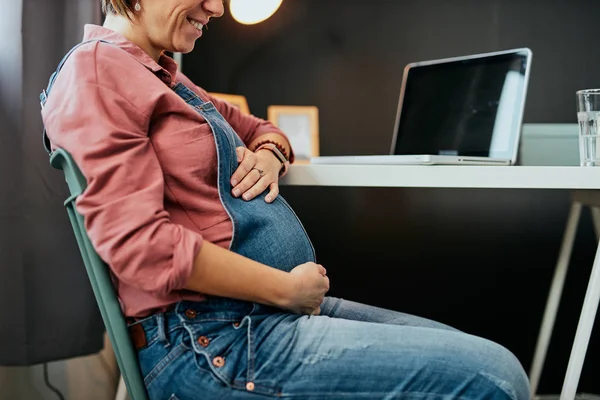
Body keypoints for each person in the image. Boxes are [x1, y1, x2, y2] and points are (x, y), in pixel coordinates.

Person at [40, 1, 530, 399]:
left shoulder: (161, 75)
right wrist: (283, 290)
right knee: (494, 378)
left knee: (476, 355)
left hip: (255, 318)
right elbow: (142, 247)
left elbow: (259, 129)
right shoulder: (98, 73)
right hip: (215, 340)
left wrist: (271, 154)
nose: (216, 8)